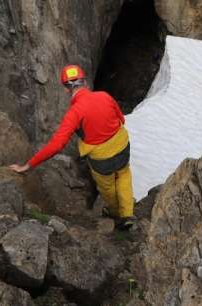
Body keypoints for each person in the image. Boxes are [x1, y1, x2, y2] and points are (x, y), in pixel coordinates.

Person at [9, 64, 135, 229]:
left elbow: (56, 145)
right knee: (124, 175)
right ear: (85, 82)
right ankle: (127, 214)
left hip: (101, 158)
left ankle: (115, 212)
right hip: (122, 145)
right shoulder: (104, 96)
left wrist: (27, 165)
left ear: (66, 89)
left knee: (107, 187)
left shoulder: (74, 113)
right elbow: (122, 119)